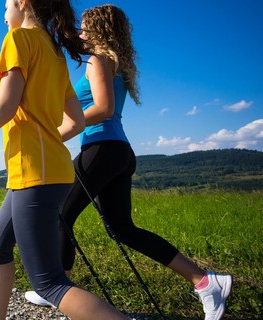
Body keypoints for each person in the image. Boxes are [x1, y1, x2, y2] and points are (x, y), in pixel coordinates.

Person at [23, 5, 232, 320]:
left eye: (84, 27)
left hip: (102, 148)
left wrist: (58, 133)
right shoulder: (110, 61)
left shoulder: (98, 60)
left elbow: (103, 108)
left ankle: (55, 287)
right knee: (123, 228)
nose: (80, 32)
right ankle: (204, 281)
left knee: (60, 213)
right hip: (118, 152)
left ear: (98, 30)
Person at [0, 0, 128, 319]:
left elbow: (6, 105)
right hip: (46, 171)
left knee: (49, 283)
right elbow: (76, 122)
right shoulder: (55, 53)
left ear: (22, 3)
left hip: (35, 173)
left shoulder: (18, 39)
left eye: (5, 6)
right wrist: (45, 139)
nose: (3, 15)